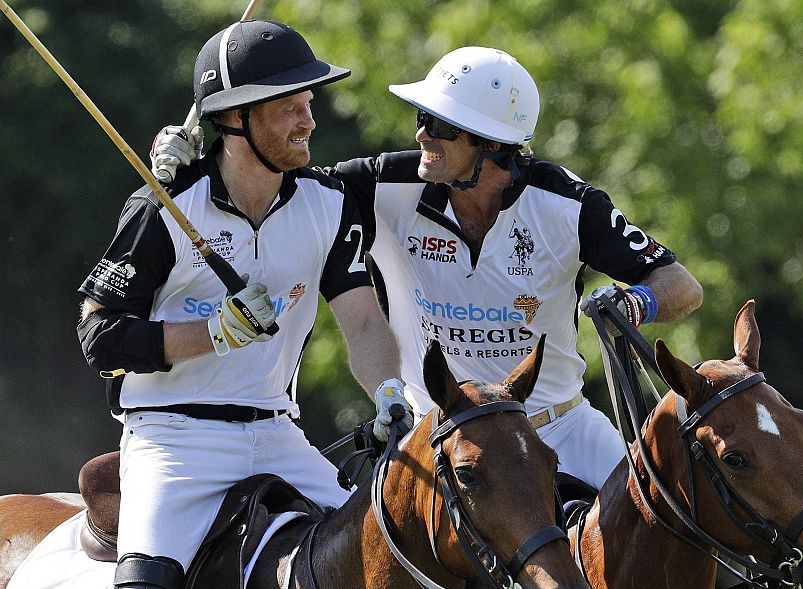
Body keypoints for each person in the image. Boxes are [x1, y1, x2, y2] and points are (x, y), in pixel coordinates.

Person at [151, 46, 702, 495]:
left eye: (438, 124)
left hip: (560, 428)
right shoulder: (384, 184)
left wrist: (636, 304)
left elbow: (681, 287)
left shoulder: (567, 205)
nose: (420, 135)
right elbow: (276, 174)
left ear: (491, 144)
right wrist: (200, 163)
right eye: (422, 119)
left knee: (674, 534)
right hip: (438, 437)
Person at [78, 20, 410, 589]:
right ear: (236, 120)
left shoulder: (330, 205)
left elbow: (364, 322)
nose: (308, 122)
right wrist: (212, 334)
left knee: (393, 557)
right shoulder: (167, 207)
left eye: (308, 105)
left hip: (278, 436)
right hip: (174, 439)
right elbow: (99, 337)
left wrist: (392, 395)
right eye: (289, 109)